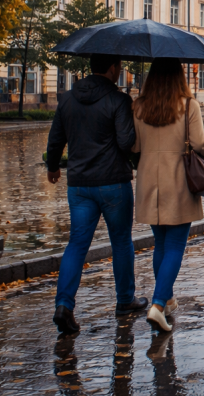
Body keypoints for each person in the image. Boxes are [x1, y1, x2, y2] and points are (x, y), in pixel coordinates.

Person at [46, 54, 148, 335]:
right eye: (119, 67)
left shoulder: (67, 98)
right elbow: (126, 142)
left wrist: (53, 167)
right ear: (113, 68)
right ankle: (125, 300)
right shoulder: (118, 100)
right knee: (121, 243)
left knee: (77, 244)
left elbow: (55, 139)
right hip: (113, 183)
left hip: (79, 186)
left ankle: (64, 305)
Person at [132, 58, 204, 332]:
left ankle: (167, 299)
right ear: (179, 76)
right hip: (178, 182)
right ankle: (157, 305)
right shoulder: (188, 105)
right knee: (175, 246)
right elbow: (199, 143)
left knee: (161, 244)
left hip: (149, 182)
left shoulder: (140, 106)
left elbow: (134, 146)